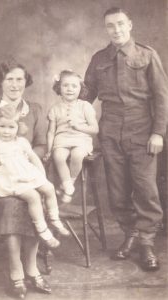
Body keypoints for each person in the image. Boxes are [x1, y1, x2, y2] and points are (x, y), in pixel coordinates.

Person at [82, 7, 168, 271]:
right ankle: (130, 235)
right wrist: (64, 87)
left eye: (120, 24)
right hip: (109, 133)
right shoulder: (99, 59)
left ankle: (147, 242)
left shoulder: (147, 55)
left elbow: (161, 97)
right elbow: (86, 95)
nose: (116, 30)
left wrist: (158, 132)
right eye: (110, 25)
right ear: (106, 28)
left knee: (146, 190)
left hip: (142, 132)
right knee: (117, 192)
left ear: (129, 25)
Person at [0, 59, 53, 298]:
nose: (15, 84)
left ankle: (31, 267)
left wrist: (23, 158)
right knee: (11, 204)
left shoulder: (35, 110)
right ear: (1, 82)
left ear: (25, 82)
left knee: (35, 198)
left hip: (26, 175)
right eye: (9, 79)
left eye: (19, 79)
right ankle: (16, 271)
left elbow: (40, 145)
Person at [0, 104, 70, 249]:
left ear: (18, 128)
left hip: (26, 175)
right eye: (2, 126)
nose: (6, 131)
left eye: (11, 127)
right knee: (33, 196)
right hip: (9, 180)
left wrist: (42, 176)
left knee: (49, 188)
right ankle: (43, 231)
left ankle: (54, 218)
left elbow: (34, 158)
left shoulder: (21, 142)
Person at [44, 70, 99, 203]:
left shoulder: (85, 106)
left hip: (81, 139)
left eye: (74, 86)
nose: (70, 89)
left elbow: (95, 129)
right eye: (65, 85)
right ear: (59, 88)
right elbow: (51, 132)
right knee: (58, 156)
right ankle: (66, 183)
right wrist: (49, 150)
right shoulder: (55, 109)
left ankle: (70, 184)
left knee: (77, 154)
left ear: (81, 89)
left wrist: (79, 127)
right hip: (61, 139)